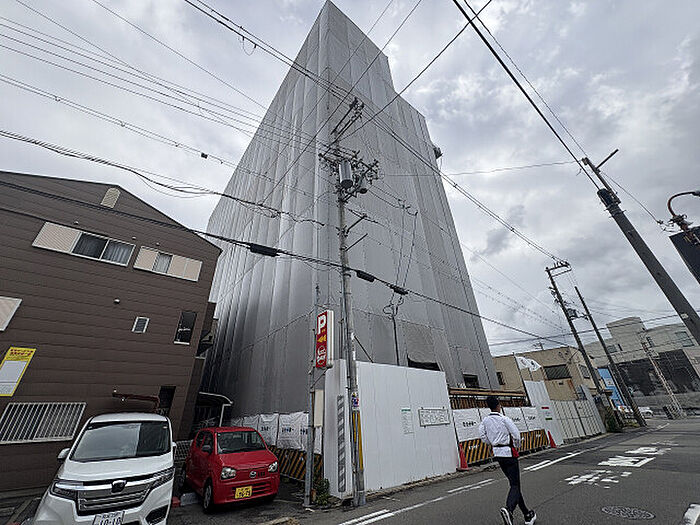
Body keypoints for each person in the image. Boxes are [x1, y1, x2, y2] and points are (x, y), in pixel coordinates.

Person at [478, 395, 536, 525]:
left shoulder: (485, 421)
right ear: (498, 405)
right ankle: (509, 510)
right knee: (515, 485)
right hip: (509, 453)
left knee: (514, 485)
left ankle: (527, 514)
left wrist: (492, 442)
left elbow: (482, 436)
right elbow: (516, 435)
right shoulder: (504, 419)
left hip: (497, 453)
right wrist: (516, 445)